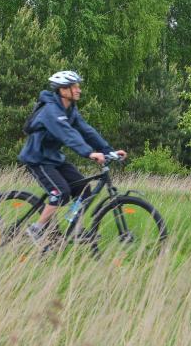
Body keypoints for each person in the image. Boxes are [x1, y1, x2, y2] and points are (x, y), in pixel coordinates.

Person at [18, 70, 126, 241]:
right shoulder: (51, 110)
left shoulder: (70, 109)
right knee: (60, 193)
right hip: (37, 159)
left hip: (54, 158)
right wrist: (89, 152)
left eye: (78, 86)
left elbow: (87, 131)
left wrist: (108, 151)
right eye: (74, 87)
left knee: (84, 189)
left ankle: (75, 228)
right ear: (63, 90)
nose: (78, 90)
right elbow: (68, 134)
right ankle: (36, 229)